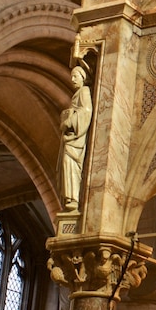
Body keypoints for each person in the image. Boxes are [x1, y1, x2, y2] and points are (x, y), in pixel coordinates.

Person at [60, 65, 93, 211]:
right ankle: (70, 197)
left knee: (70, 163)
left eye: (76, 76)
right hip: (72, 138)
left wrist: (69, 121)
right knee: (67, 165)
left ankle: (73, 198)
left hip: (76, 139)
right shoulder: (78, 93)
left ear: (83, 77)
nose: (72, 79)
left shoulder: (84, 91)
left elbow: (86, 111)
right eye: (71, 76)